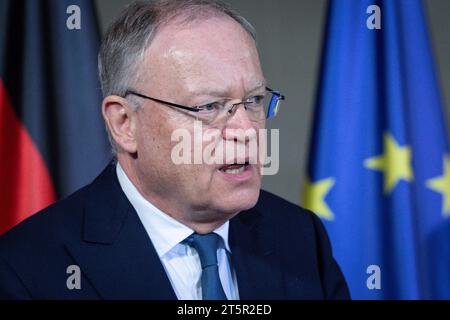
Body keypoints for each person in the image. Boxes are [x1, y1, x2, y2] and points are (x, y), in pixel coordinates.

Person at [0, 0, 350, 300]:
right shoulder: (26, 270)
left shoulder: (302, 238)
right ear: (125, 123)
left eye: (254, 100)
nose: (246, 130)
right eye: (210, 106)